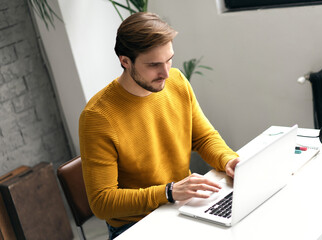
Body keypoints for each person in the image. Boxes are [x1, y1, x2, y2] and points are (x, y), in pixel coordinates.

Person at [79, 12, 240, 239]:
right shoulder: (98, 116)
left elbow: (203, 137)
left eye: (169, 59)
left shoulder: (177, 81)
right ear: (125, 61)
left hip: (181, 206)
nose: (165, 73)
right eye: (154, 65)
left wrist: (227, 159)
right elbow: (102, 202)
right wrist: (168, 192)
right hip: (136, 225)